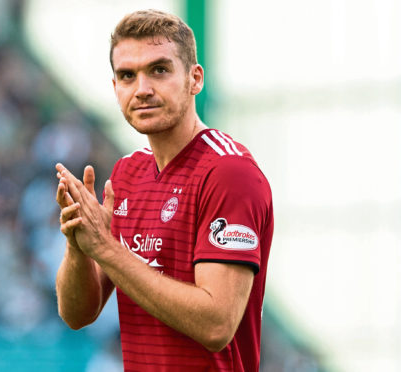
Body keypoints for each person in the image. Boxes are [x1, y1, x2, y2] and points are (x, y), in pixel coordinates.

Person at [55, 9, 273, 372]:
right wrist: (79, 244)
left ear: (195, 78)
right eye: (127, 76)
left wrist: (106, 249)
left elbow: (216, 323)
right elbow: (78, 314)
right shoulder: (127, 174)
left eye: (159, 70)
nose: (142, 89)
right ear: (115, 88)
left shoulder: (229, 173)